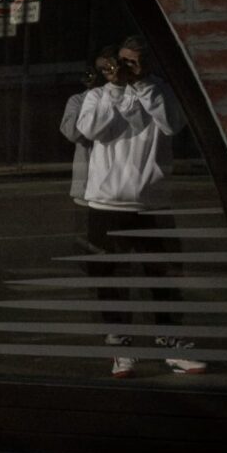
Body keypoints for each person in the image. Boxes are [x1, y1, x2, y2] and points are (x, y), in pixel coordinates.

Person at [64, 39, 205, 377]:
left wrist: (142, 85)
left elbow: (172, 124)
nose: (128, 68)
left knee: (163, 277)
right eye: (124, 62)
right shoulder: (97, 95)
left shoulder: (161, 90)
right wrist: (114, 88)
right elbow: (89, 130)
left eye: (135, 62)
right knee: (110, 279)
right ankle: (121, 347)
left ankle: (170, 344)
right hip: (106, 202)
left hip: (151, 202)